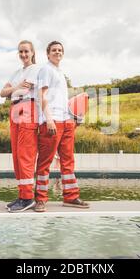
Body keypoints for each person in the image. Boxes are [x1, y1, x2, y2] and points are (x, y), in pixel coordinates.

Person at [34, 41, 90, 212]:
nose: (57, 52)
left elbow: (62, 101)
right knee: (45, 162)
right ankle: (40, 200)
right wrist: (48, 119)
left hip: (66, 122)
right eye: (54, 50)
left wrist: (74, 119)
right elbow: (41, 95)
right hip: (52, 122)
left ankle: (71, 197)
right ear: (48, 54)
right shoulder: (46, 69)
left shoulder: (60, 73)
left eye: (60, 50)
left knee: (68, 161)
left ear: (62, 54)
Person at [0, 40, 40, 212]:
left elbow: (22, 92)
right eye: (20, 52)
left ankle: (28, 197)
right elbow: (3, 93)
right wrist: (15, 87)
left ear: (32, 52)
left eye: (26, 51)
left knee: (25, 153)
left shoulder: (36, 69)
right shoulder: (17, 72)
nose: (23, 55)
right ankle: (21, 194)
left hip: (27, 108)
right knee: (16, 154)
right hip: (14, 109)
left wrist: (12, 90)